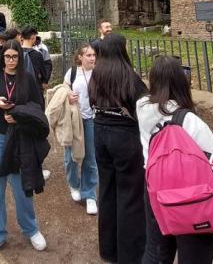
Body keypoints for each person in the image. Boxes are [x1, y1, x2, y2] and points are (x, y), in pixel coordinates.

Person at [137, 56, 213, 264]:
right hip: (190, 194)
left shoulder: (142, 108)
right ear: (181, 82)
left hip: (155, 185)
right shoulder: (190, 122)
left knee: (156, 250)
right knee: (194, 253)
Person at [0, 40, 48, 251]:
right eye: (7, 57)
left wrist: (19, 116)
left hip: (19, 138)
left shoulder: (28, 79)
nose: (11, 61)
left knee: (22, 186)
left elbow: (38, 107)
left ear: (20, 57)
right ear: (2, 57)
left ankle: (31, 229)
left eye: (14, 57)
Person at [89, 33, 148, 264]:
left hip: (100, 132)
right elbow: (143, 105)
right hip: (124, 136)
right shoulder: (128, 76)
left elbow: (91, 99)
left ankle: (108, 249)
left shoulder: (97, 74)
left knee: (107, 189)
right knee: (130, 194)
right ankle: (130, 254)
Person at [63, 44, 98, 216]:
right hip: (74, 119)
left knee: (90, 158)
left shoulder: (99, 73)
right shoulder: (73, 72)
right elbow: (64, 88)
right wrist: (68, 95)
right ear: (80, 57)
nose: (92, 58)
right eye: (88, 55)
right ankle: (74, 184)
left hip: (92, 119)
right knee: (71, 157)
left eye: (94, 55)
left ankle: (89, 194)